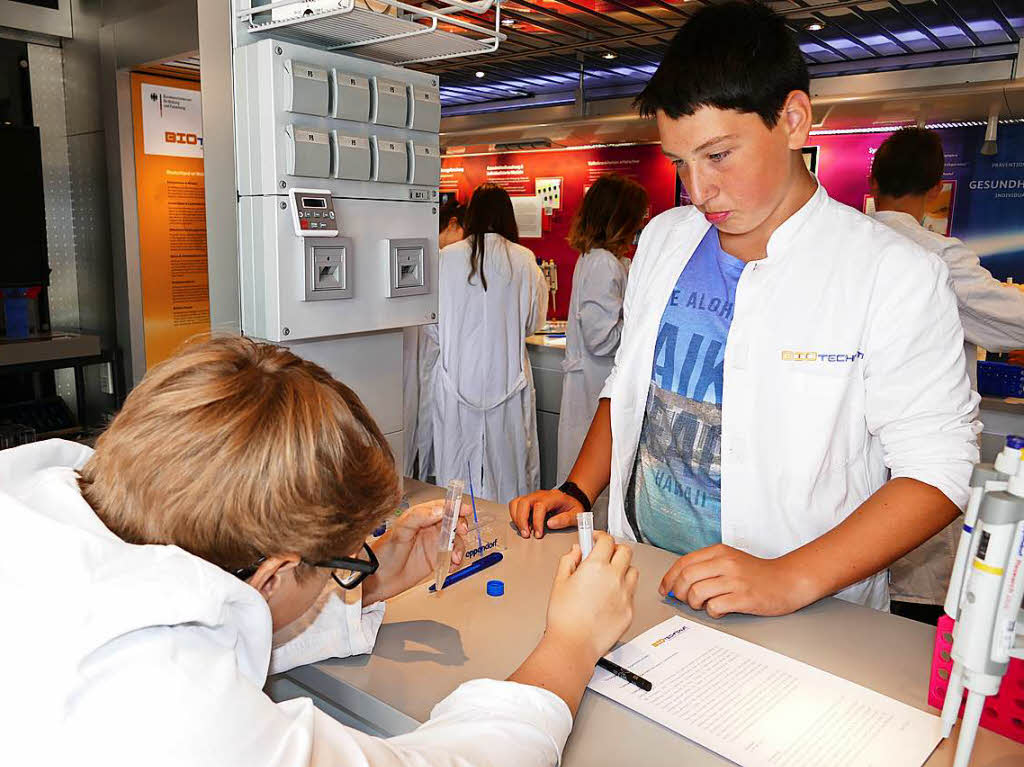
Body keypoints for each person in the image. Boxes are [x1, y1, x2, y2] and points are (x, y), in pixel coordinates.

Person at [509, 0, 979, 618]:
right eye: (681, 163)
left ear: (792, 120)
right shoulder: (665, 240)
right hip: (644, 575)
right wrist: (578, 489)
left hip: (804, 610)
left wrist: (789, 578)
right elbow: (629, 388)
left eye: (718, 155)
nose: (698, 190)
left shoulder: (892, 274)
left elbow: (939, 468)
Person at [0, 335, 638, 767]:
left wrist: (370, 577)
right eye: (341, 560)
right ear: (274, 573)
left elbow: (201, 607)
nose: (350, 567)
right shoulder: (168, 708)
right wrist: (572, 644)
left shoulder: (51, 519)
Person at [869, 126, 1024, 622]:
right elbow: (1008, 321)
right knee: (912, 585)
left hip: (850, 441)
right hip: (919, 441)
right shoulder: (933, 255)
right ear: (937, 189)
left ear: (873, 179)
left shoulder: (845, 244)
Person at [434, 183, 548, 504]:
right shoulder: (524, 260)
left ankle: (455, 533)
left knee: (455, 469)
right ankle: (513, 535)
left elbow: (434, 321)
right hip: (507, 378)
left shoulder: (446, 258)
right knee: (509, 466)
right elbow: (533, 323)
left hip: (456, 377)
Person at [558, 174, 649, 530]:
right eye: (638, 216)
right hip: (596, 386)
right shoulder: (603, 264)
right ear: (621, 217)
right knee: (594, 491)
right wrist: (642, 323)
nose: (641, 223)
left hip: (594, 384)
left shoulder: (600, 259)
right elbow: (601, 338)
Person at [402, 199, 467, 481]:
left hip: (430, 363)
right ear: (452, 224)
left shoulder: (443, 261)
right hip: (418, 359)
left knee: (421, 430)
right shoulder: (436, 259)